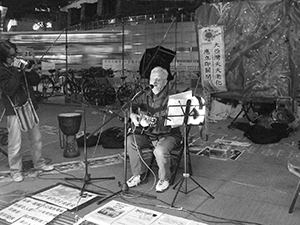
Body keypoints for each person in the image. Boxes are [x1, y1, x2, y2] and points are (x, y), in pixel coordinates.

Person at [0, 40, 54, 182]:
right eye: (11, 56)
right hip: (14, 109)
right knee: (15, 142)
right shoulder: (2, 71)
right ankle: (15, 170)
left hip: (29, 105)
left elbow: (35, 81)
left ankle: (39, 163)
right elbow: (9, 89)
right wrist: (17, 72)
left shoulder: (19, 65)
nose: (14, 58)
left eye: (15, 54)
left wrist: (28, 69)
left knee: (36, 138)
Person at [126, 66, 182, 192]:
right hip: (148, 134)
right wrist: (132, 115)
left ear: (165, 82)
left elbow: (176, 122)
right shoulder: (143, 94)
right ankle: (138, 174)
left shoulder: (173, 97)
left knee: (160, 150)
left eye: (158, 79)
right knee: (130, 141)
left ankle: (164, 178)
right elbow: (130, 106)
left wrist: (154, 121)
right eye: (152, 79)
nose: (154, 82)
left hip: (169, 135)